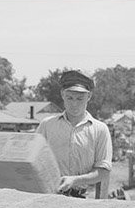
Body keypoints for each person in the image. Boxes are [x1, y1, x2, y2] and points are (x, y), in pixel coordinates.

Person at [37, 69, 112, 198]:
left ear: (89, 96)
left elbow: (103, 172)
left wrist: (75, 180)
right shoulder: (47, 125)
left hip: (85, 200)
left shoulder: (100, 129)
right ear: (62, 94)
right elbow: (34, 159)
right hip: (51, 197)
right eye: (70, 98)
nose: (74, 104)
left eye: (80, 98)